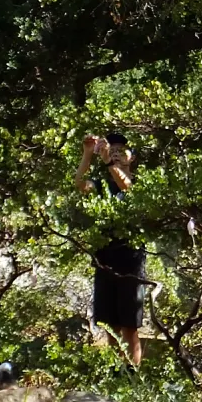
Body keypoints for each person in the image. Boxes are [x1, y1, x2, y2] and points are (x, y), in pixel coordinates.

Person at [75, 131, 146, 367]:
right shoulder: (102, 185)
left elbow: (126, 187)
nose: (115, 153)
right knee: (110, 325)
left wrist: (107, 161)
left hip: (130, 261)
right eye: (112, 149)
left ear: (132, 157)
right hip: (105, 258)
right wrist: (87, 155)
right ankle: (116, 373)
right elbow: (80, 184)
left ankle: (132, 374)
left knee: (129, 325)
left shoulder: (140, 184)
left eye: (121, 150)